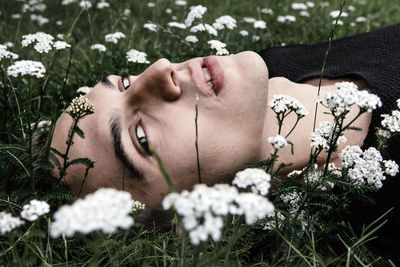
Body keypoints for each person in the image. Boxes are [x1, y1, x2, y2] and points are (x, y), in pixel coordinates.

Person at [50, 23, 399, 259]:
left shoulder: (277, 65)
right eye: (140, 137)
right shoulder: (384, 202)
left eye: (125, 83)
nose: (158, 69)